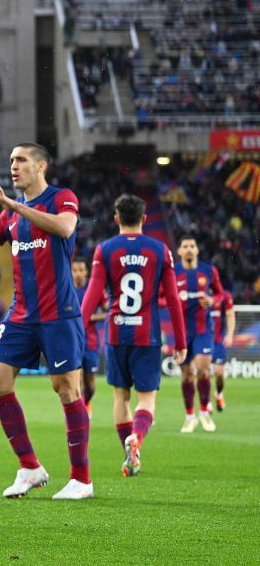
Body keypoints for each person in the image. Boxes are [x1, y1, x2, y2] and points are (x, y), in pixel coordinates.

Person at [0, 143, 92, 500]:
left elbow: (65, 228)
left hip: (59, 312)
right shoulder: (9, 216)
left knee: (67, 388)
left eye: (20, 160)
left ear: (40, 166)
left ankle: (81, 479)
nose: (13, 167)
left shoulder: (60, 197)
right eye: (11, 161)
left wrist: (14, 205)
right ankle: (29, 467)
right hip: (22, 313)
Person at [81, 194, 187, 477]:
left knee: (120, 397)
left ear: (116, 219)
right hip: (147, 334)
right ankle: (136, 439)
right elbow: (174, 299)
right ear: (144, 218)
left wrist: (77, 330)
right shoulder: (160, 250)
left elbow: (91, 297)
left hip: (115, 332)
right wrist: (180, 341)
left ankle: (130, 458)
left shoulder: (104, 250)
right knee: (147, 400)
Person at [173, 236, 223, 433]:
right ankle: (189, 416)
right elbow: (160, 298)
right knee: (186, 375)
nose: (189, 249)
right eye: (184, 246)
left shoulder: (209, 271)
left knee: (203, 369)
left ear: (197, 250)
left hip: (203, 330)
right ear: (179, 251)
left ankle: (204, 413)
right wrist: (173, 302)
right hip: (182, 331)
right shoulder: (173, 272)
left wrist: (212, 300)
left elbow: (220, 294)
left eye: (192, 246)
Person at [71, 257, 106, 413]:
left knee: (90, 384)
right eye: (75, 270)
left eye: (81, 270)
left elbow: (110, 311)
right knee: (75, 380)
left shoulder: (95, 290)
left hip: (91, 343)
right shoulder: (66, 290)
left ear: (86, 272)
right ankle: (80, 412)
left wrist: (90, 317)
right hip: (72, 343)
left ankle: (86, 402)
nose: (78, 273)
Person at [210, 290, 235, 411]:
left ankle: (219, 394)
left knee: (219, 373)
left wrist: (230, 334)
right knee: (202, 372)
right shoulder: (196, 293)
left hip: (218, 341)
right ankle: (206, 403)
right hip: (200, 338)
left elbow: (230, 314)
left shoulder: (224, 296)